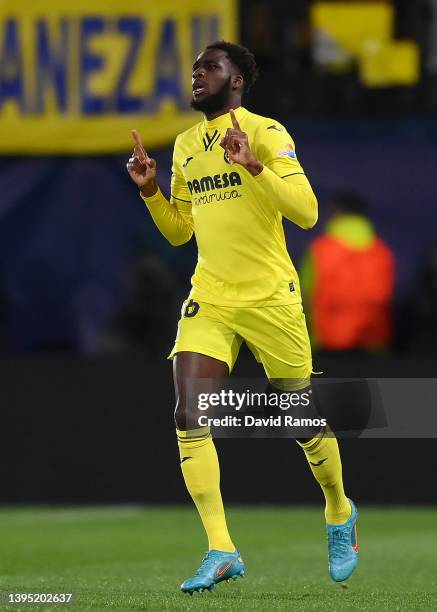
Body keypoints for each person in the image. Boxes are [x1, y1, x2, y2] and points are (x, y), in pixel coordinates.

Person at [126, 41, 358, 595]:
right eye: (195, 67)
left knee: (300, 418)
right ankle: (221, 548)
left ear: (237, 81)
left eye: (210, 66)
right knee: (190, 410)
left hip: (271, 296)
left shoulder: (267, 132)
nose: (197, 73)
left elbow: (307, 212)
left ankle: (339, 509)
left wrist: (252, 166)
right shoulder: (184, 145)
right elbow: (182, 230)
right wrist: (153, 191)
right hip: (212, 295)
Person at [300, 192, 395, 352]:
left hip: (327, 342)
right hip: (373, 344)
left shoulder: (320, 249)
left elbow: (304, 295)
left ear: (336, 213)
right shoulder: (382, 251)